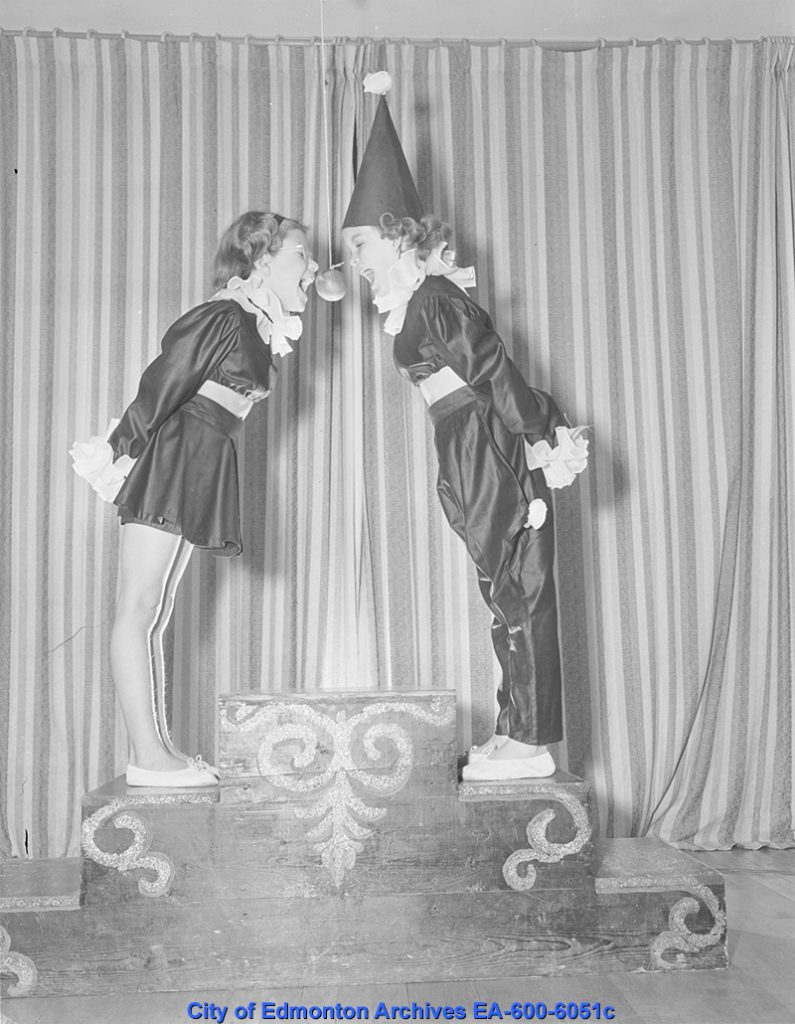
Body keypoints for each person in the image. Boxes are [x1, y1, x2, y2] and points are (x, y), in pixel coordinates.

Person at [341, 87, 587, 781]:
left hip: (485, 436)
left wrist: (540, 434)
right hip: (461, 439)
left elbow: (494, 372)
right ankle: (514, 726)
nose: (352, 260)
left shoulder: (436, 298)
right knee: (500, 587)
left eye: (359, 243)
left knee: (518, 586)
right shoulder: (417, 302)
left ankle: (532, 739)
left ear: (392, 233)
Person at [71, 212, 318, 787]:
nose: (311, 267)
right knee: (137, 609)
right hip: (179, 453)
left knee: (153, 614)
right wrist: (121, 450)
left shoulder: (254, 323)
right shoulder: (225, 315)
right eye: (301, 255)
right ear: (261, 262)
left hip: (203, 456)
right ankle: (148, 758)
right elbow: (164, 381)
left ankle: (156, 752)